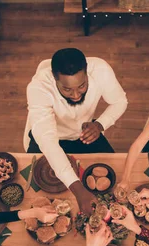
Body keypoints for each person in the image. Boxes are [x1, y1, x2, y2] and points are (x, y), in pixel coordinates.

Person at [26, 48, 128, 215]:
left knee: (112, 177)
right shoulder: (38, 87)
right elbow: (49, 143)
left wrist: (100, 124)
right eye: (67, 89)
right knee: (37, 193)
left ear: (87, 71)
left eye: (82, 86)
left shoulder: (100, 69)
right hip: (51, 138)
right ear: (54, 77)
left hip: (85, 133)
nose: (76, 95)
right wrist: (79, 192)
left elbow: (120, 101)